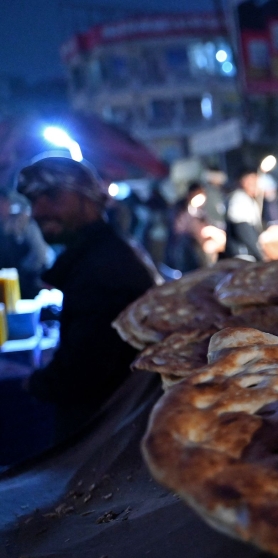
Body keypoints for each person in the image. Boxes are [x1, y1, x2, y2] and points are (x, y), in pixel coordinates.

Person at [16, 157, 158, 445]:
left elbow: (84, 372)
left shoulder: (102, 268)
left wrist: (35, 384)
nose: (38, 210)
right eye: (34, 201)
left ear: (89, 198)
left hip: (107, 437)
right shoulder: (102, 254)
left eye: (52, 196)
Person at [0, 191, 50, 298]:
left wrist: (23, 272)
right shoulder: (2, 226)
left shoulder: (24, 221)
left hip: (28, 282)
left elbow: (40, 253)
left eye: (3, 203)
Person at [223, 166, 264, 262]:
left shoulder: (248, 199)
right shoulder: (239, 200)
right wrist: (259, 255)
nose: (255, 186)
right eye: (251, 182)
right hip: (243, 253)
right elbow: (243, 230)